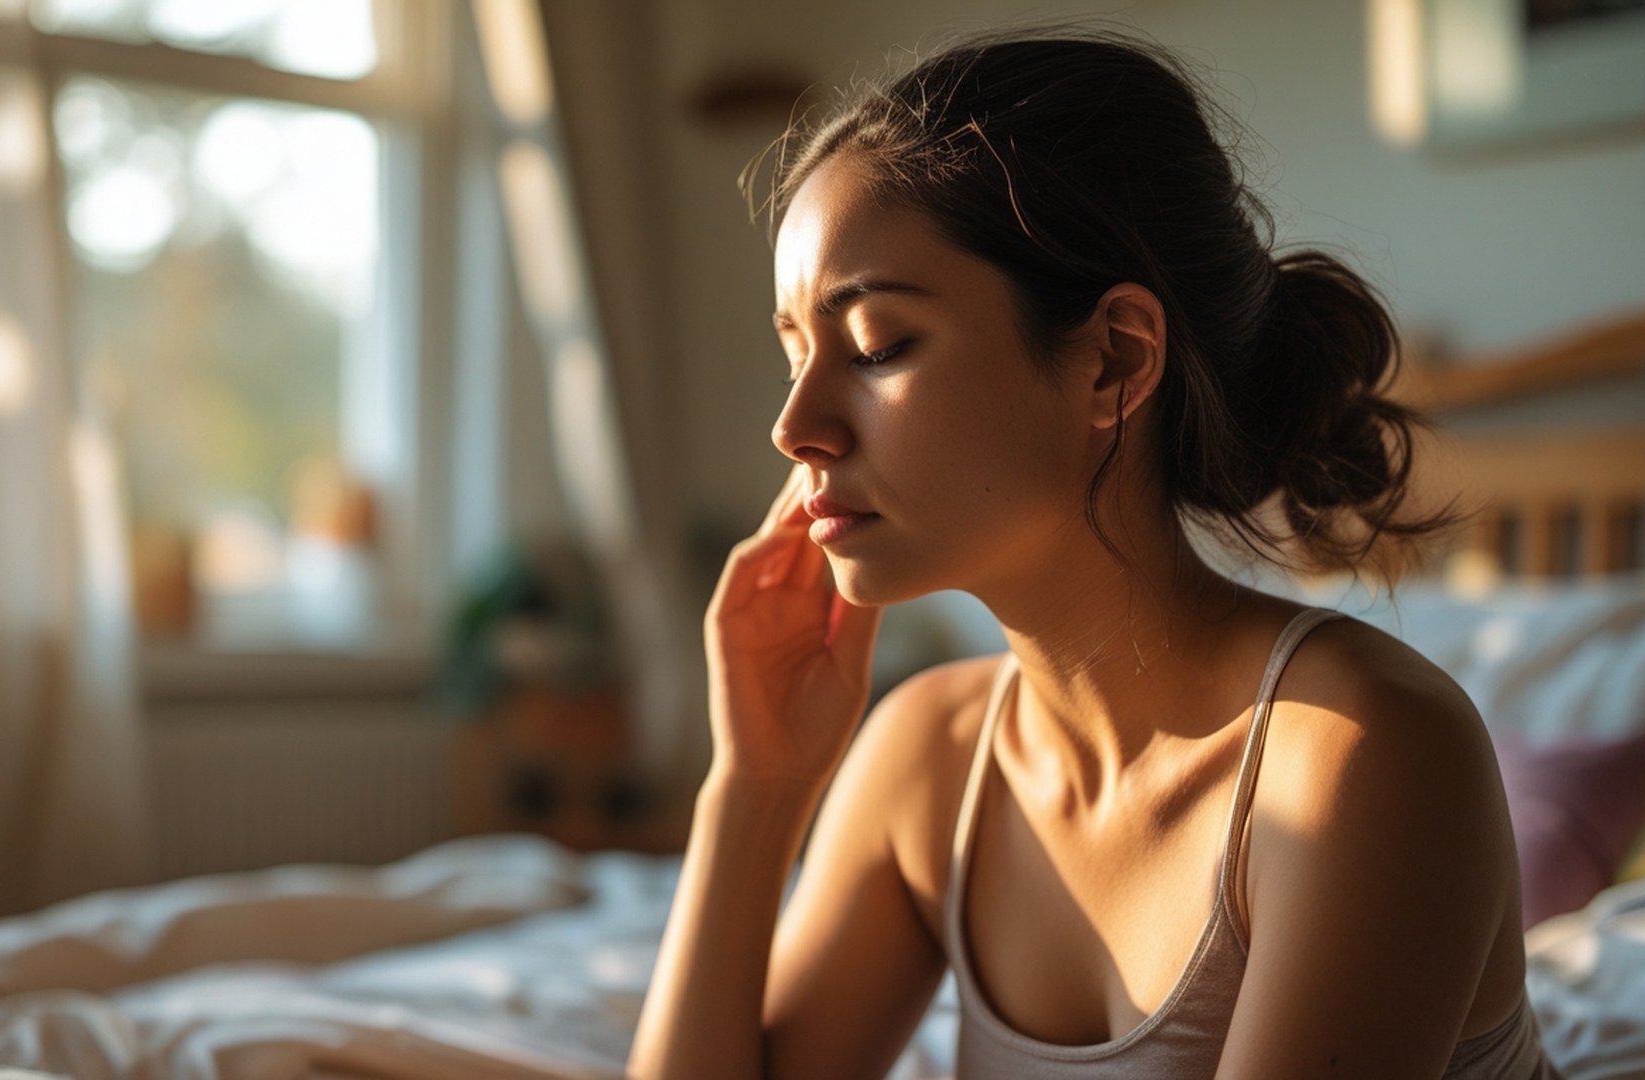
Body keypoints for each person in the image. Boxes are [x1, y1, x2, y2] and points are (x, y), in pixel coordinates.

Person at [625, 27, 1559, 1080]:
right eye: (798, 352)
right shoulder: (929, 758)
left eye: (877, 344)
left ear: (1114, 359)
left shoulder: (1362, 754)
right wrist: (755, 785)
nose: (796, 427)